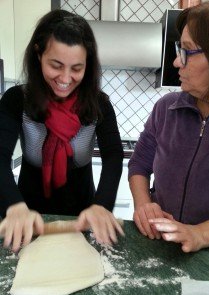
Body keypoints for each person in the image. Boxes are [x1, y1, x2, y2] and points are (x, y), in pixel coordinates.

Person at [0, 9, 124, 252]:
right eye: (56, 65)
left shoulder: (100, 104)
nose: (66, 78)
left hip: (83, 211)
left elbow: (113, 155)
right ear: (38, 54)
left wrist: (102, 204)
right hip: (26, 211)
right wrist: (13, 205)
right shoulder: (17, 99)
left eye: (77, 68)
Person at [128, 1, 209, 253]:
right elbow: (139, 164)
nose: (175, 62)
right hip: (160, 241)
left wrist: (200, 234)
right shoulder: (166, 108)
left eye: (187, 50)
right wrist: (143, 203)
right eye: (179, 49)